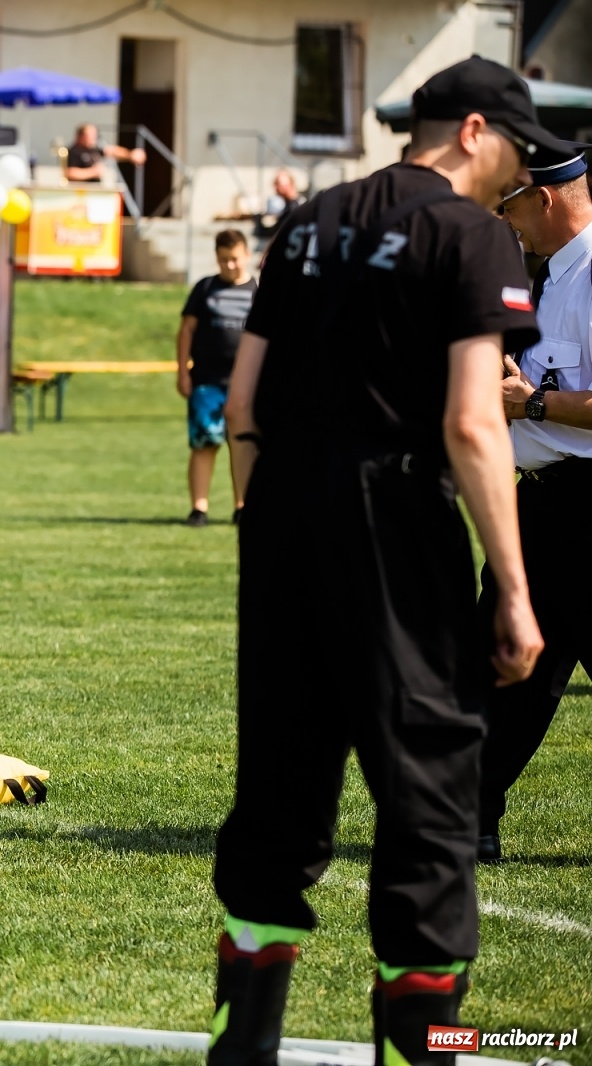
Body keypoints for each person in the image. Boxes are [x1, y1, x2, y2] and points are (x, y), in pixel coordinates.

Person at [208, 56, 549, 1066]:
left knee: (279, 778)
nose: (514, 180)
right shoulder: (469, 231)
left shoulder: (307, 219)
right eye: (515, 158)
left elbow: (240, 407)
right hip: (393, 517)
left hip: (277, 518)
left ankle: (242, 1044)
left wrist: (261, 531)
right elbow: (473, 423)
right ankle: (419, 1045)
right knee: (430, 787)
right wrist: (515, 592)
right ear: (475, 130)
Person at [482, 141, 592, 865]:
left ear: (544, 197)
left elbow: (544, 401)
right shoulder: (551, 277)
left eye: (510, 203)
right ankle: (469, 820)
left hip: (587, 504)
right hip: (542, 505)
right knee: (499, 665)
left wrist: (534, 404)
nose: (507, 220)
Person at [176, 230, 256, 526]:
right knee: (205, 442)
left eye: (234, 259)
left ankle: (243, 505)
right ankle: (199, 508)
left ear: (246, 256)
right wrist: (183, 371)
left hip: (244, 384)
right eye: (224, 260)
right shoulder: (205, 288)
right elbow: (186, 330)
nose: (230, 266)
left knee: (243, 445)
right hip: (207, 381)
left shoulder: (258, 292)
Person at [64, 123, 146, 183]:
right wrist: (92, 172)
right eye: (90, 135)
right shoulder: (73, 151)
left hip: (96, 191)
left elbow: (112, 151)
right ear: (80, 136)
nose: (94, 137)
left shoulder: (94, 149)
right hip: (80, 194)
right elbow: (70, 173)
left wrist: (130, 154)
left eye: (95, 134)